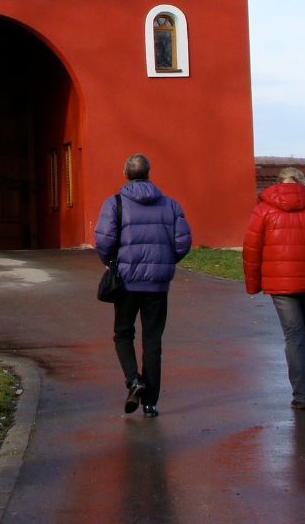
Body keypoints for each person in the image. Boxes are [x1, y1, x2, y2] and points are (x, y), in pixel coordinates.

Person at [94, 153, 192, 418]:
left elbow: (104, 240)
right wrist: (165, 262)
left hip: (126, 282)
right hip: (157, 287)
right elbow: (183, 242)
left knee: (123, 334)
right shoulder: (170, 205)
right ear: (149, 173)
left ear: (126, 174)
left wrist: (109, 261)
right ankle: (150, 403)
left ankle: (133, 380)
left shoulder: (115, 203)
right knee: (152, 341)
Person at [242, 167, 305, 410]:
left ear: (278, 183)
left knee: (293, 336)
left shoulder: (264, 209)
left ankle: (301, 395)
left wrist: (253, 284)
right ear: (303, 182)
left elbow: (251, 248)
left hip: (280, 283)